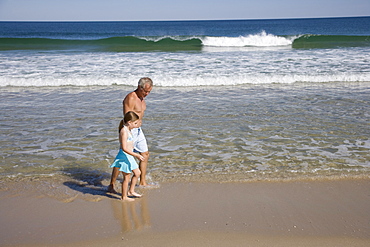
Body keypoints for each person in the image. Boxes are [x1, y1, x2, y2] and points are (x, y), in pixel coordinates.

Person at [108, 77, 153, 193]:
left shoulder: (142, 98)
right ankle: (111, 184)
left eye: (149, 92)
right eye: (145, 91)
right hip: (130, 130)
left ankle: (142, 182)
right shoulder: (131, 98)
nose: (147, 94)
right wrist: (127, 132)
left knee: (145, 154)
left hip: (139, 130)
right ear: (139, 87)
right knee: (122, 158)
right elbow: (127, 117)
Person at [110, 111, 144, 201]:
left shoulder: (129, 130)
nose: (137, 125)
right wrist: (136, 155)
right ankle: (124, 196)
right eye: (135, 123)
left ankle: (131, 191)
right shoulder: (124, 131)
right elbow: (124, 148)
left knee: (137, 173)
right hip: (124, 155)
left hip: (129, 155)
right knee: (127, 176)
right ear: (129, 122)